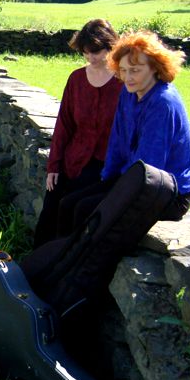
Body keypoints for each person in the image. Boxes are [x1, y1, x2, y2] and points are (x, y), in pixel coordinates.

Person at [59, 30, 190, 231]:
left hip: (167, 193)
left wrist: (115, 191)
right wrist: (107, 179)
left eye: (135, 70)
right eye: (123, 70)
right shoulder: (129, 92)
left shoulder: (162, 102)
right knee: (68, 203)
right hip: (134, 177)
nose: (127, 77)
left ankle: (78, 251)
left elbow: (151, 165)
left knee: (86, 209)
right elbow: (117, 141)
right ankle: (64, 251)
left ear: (155, 67)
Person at [33, 19, 123, 248]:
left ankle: (60, 263)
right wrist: (54, 165)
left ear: (111, 46)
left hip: (103, 167)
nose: (91, 57)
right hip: (72, 160)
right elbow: (64, 124)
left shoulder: (124, 82)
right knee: (50, 211)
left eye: (96, 51)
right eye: (85, 52)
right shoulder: (76, 79)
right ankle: (33, 262)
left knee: (72, 215)